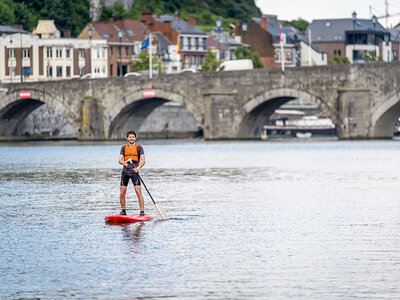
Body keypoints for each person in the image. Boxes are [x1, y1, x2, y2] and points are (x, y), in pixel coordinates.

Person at [118, 131, 145, 216]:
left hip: (134, 173)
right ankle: (123, 211)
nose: (131, 138)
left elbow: (143, 161)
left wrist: (138, 168)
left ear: (135, 138)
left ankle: (142, 211)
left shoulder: (139, 148)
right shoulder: (123, 148)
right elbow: (119, 160)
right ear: (127, 138)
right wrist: (123, 162)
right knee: (122, 193)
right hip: (125, 172)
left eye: (133, 137)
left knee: (138, 192)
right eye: (130, 137)